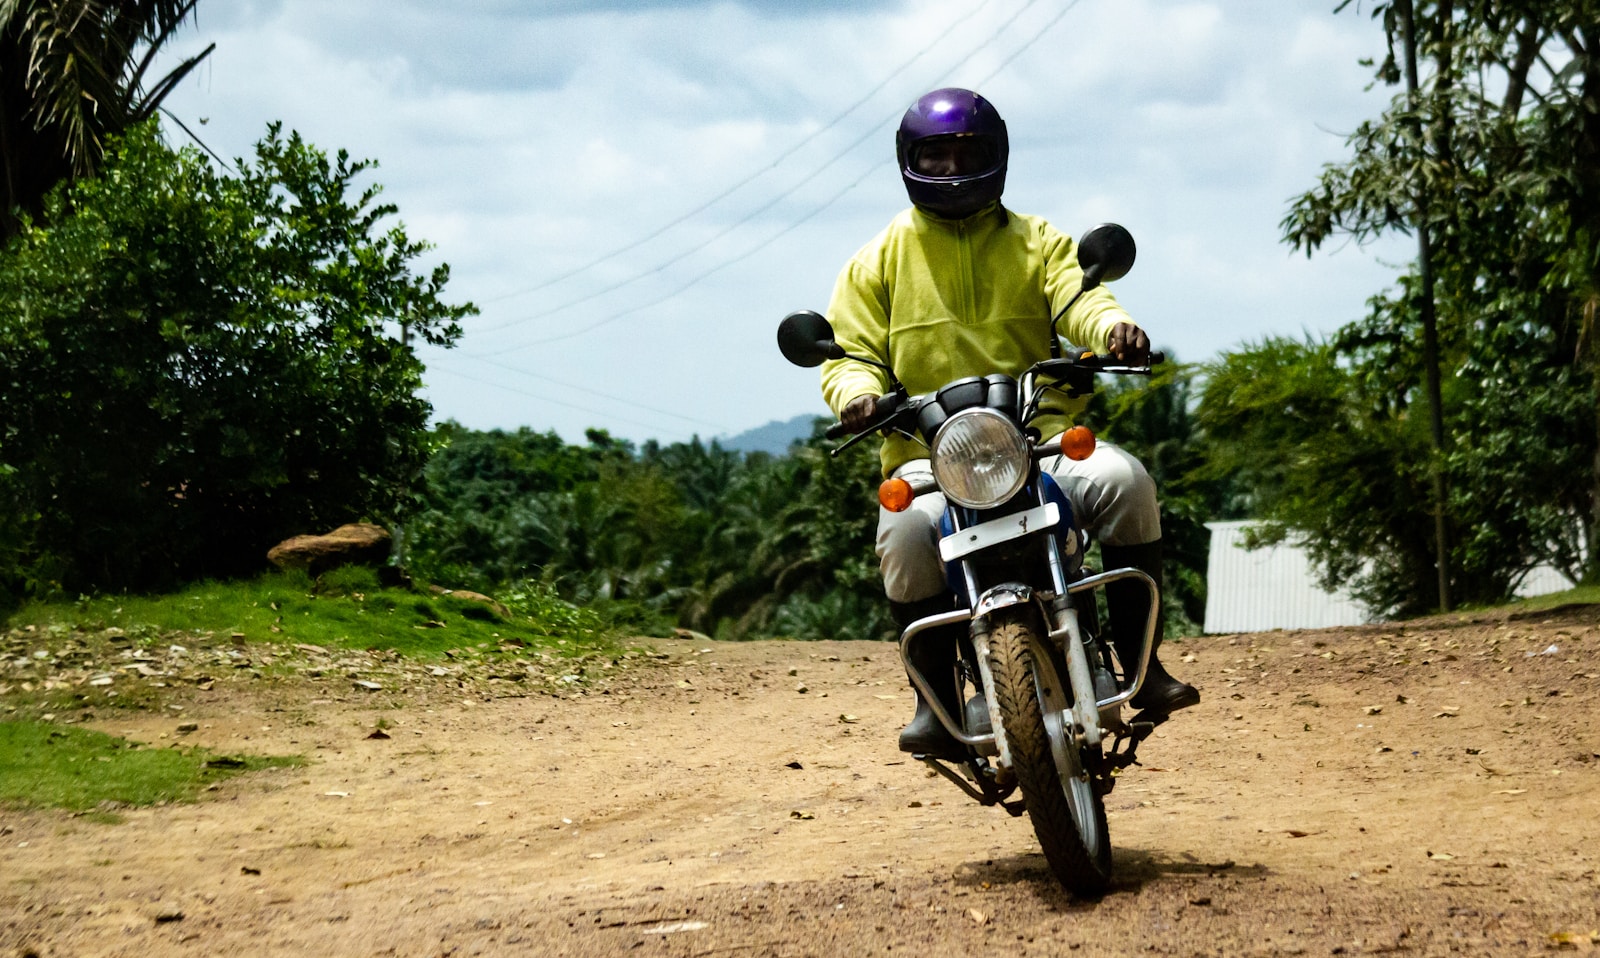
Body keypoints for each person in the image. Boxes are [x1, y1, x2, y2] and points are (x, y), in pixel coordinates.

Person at [818, 87, 1198, 759]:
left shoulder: (1038, 242)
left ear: (998, 158)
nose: (951, 169)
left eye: (968, 153)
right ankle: (932, 704)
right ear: (909, 162)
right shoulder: (874, 262)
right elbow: (850, 355)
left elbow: (1082, 298)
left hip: (1041, 440)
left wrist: (1112, 330)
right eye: (934, 156)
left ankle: (1145, 665)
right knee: (903, 531)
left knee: (1127, 481)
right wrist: (858, 395)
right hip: (929, 455)